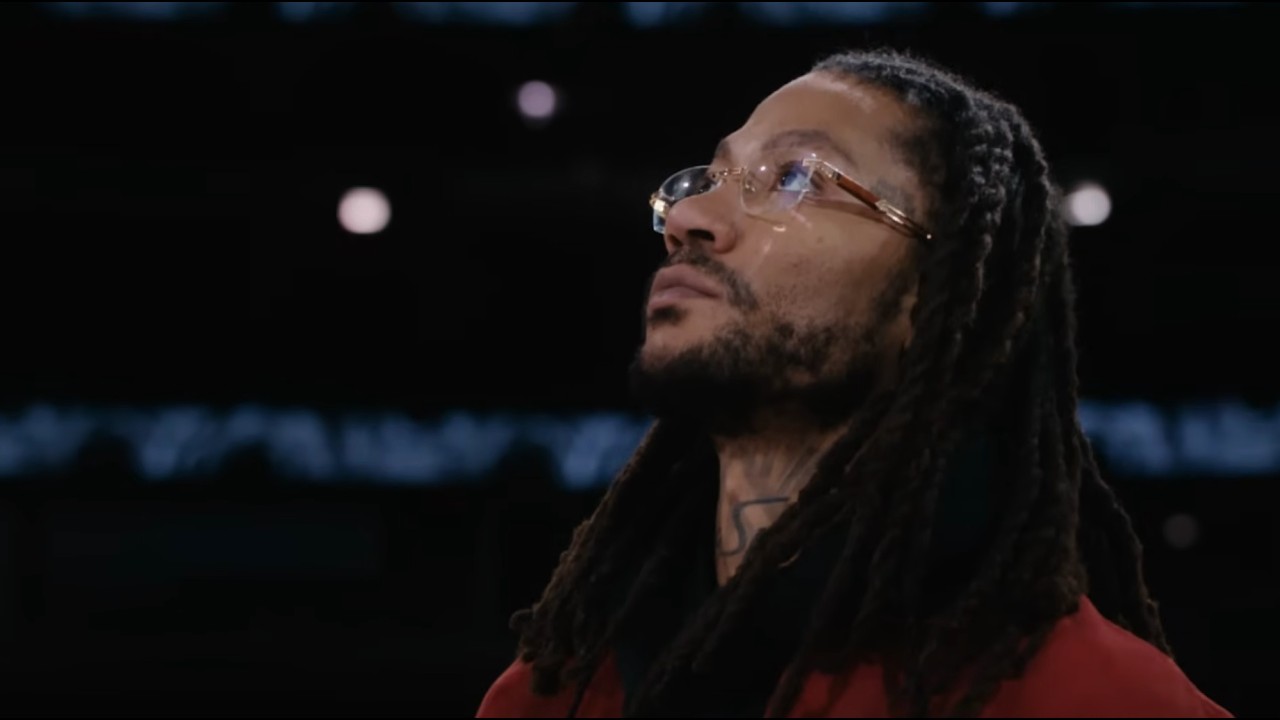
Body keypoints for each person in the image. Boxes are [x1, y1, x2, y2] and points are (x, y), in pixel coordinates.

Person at [476, 48, 1232, 718]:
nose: (691, 218)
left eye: (796, 177)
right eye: (706, 178)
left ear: (935, 296)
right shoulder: (548, 697)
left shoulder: (1098, 701)